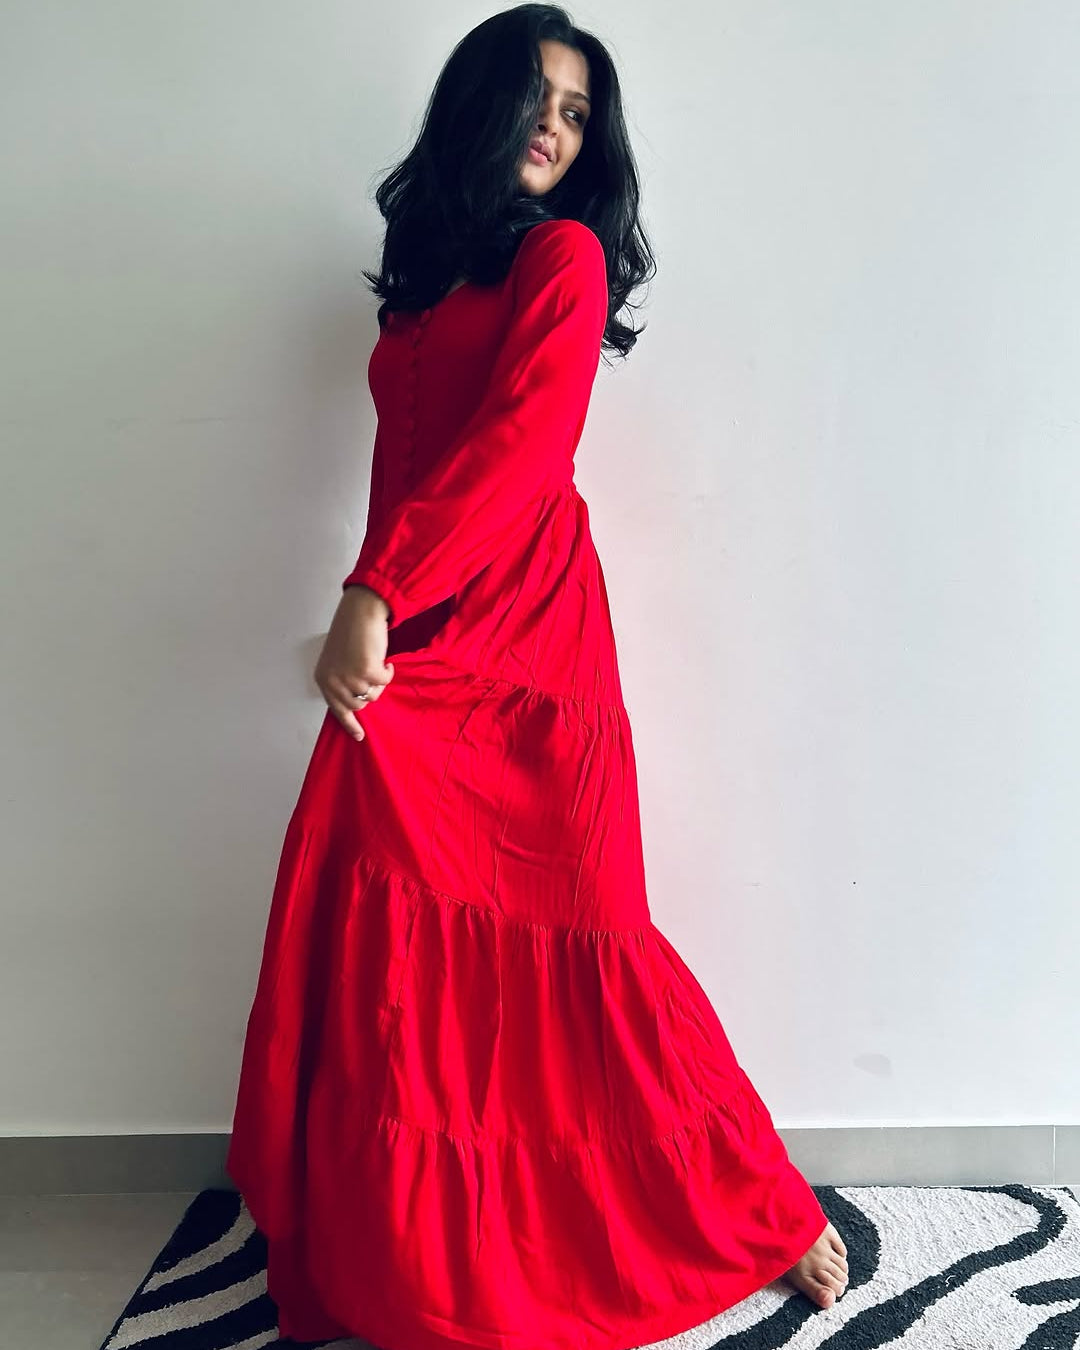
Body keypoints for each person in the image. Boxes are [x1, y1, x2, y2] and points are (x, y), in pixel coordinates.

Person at [225, 5, 849, 1345]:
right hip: (429, 638)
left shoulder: (563, 257)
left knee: (588, 947)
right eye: (537, 102)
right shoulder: (428, 285)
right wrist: (383, 608)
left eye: (578, 113)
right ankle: (408, 1254)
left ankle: (758, 1202)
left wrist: (373, 589)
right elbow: (413, 465)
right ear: (483, 112)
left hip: (529, 641)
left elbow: (521, 448)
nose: (557, 130)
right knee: (394, 955)